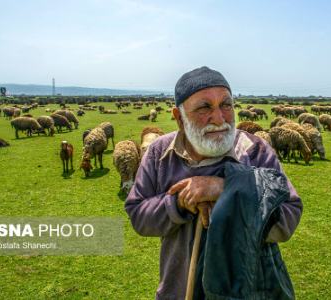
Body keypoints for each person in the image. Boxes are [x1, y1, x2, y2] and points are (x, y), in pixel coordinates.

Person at [126, 66, 303, 299]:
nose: (220, 118)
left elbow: (288, 216)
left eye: (226, 105)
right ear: (179, 117)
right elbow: (138, 214)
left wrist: (226, 190)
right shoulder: (160, 153)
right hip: (179, 290)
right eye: (204, 107)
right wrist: (180, 202)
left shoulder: (255, 151)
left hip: (247, 291)